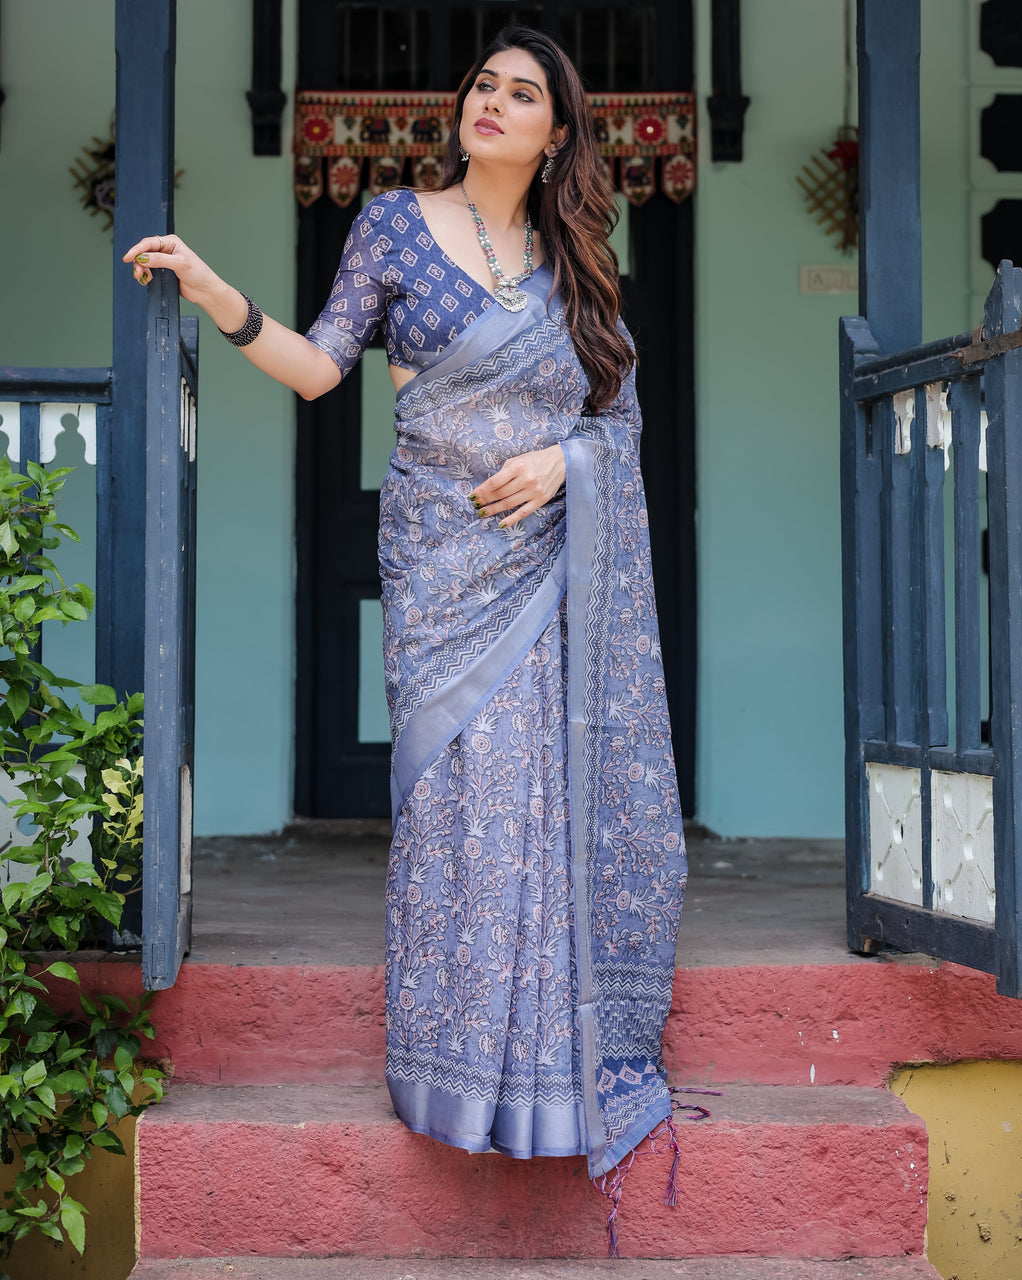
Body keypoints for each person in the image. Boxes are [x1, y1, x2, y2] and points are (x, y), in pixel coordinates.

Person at [124, 24, 687, 1248]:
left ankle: (545, 1080)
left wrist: (566, 460)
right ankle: (453, 1072)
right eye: (483, 83)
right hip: (438, 565)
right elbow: (321, 366)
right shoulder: (390, 224)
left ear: (557, 134)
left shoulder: (578, 264)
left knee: (538, 801)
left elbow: (619, 419)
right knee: (460, 804)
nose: (493, 101)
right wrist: (217, 292)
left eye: (522, 93)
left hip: (545, 565)